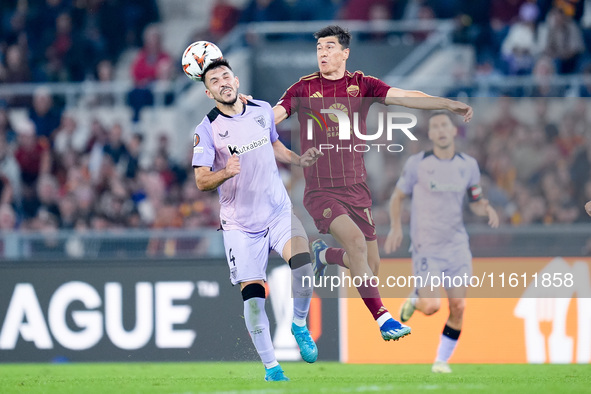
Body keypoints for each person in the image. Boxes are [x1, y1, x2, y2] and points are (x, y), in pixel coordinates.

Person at [271, 25, 473, 342]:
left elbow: (406, 97)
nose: (322, 53)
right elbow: (274, 115)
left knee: (369, 265)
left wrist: (445, 103)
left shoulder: (362, 86)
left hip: (357, 190)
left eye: (329, 47)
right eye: (319, 48)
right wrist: (248, 120)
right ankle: (384, 320)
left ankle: (324, 255)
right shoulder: (304, 89)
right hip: (321, 190)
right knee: (353, 242)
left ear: (345, 53)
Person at [192, 59, 322, 382]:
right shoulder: (206, 129)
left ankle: (299, 324)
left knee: (304, 267)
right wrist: (226, 172)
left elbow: (274, 144)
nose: (222, 82)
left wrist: (298, 159)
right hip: (239, 225)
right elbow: (201, 180)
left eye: (225, 76)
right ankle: (272, 368)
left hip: (277, 210)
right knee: (254, 301)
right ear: (209, 92)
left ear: (236, 80)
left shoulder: (262, 109)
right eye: (215, 80)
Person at [385, 112, 499, 373]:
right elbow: (397, 196)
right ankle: (416, 300)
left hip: (457, 246)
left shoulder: (468, 165)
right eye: (435, 126)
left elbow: (475, 199)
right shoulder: (418, 164)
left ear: (454, 130)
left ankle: (441, 361)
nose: (440, 130)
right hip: (427, 247)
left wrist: (487, 209)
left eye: (445, 125)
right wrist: (395, 227)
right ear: (431, 134)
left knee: (458, 306)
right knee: (432, 306)